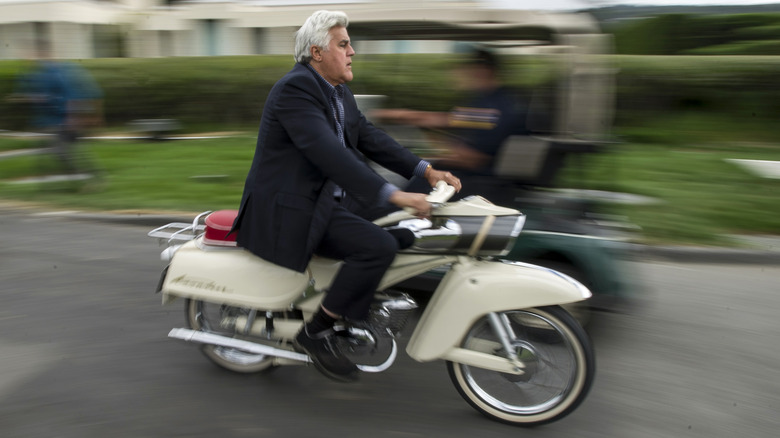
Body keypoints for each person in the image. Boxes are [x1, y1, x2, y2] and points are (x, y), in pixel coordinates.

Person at [231, 10, 461, 382]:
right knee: (378, 247)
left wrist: (427, 171)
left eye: (350, 43)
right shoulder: (294, 90)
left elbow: (372, 140)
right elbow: (328, 154)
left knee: (404, 233)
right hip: (294, 207)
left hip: (327, 199)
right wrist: (395, 196)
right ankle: (317, 330)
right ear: (317, 52)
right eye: (344, 44)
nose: (352, 51)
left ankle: (355, 309)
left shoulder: (338, 93)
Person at [373, 48, 529, 200]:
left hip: (482, 185)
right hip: (484, 180)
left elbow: (473, 160)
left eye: (467, 69)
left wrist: (432, 145)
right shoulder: (493, 101)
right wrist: (406, 117)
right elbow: (446, 119)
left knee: (407, 189)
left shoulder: (491, 109)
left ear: (482, 70)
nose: (461, 75)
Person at [8, 40, 103, 174]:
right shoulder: (40, 72)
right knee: (63, 150)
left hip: (65, 118)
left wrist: (75, 118)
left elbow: (70, 95)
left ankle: (89, 176)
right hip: (55, 119)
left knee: (63, 150)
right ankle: (84, 176)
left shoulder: (59, 71)